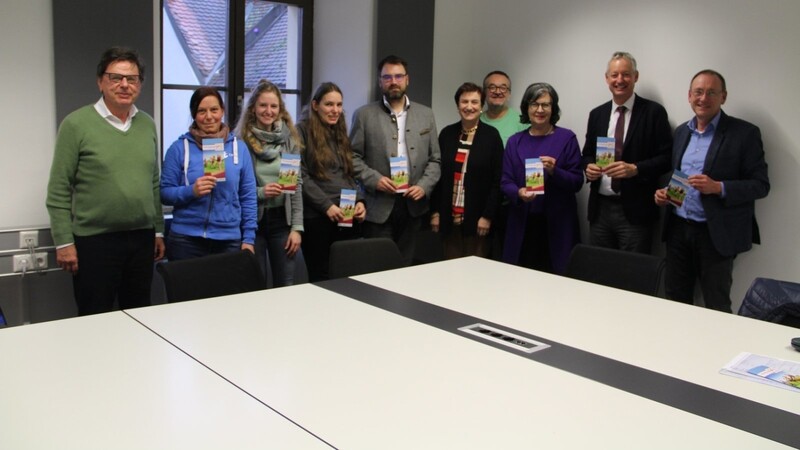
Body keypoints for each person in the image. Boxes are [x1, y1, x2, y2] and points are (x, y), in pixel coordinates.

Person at [46, 47, 165, 316]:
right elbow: (58, 189)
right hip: (94, 243)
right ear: (100, 81)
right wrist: (63, 242)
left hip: (141, 240)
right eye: (115, 77)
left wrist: (157, 231)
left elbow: (153, 183)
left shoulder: (147, 124)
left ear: (140, 84)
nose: (124, 85)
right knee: (95, 317)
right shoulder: (76, 124)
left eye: (132, 79)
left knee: (140, 317)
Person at [655, 70, 769, 312]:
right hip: (678, 229)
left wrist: (718, 187)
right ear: (689, 96)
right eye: (698, 92)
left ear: (723, 97)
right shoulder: (682, 132)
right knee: (675, 300)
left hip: (715, 234)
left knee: (716, 304)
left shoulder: (744, 134)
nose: (703, 98)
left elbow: (760, 185)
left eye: (711, 92)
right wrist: (665, 193)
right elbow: (679, 176)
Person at [351, 55, 441, 266]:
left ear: (407, 80)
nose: (393, 81)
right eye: (387, 77)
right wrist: (375, 179)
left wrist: (424, 186)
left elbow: (435, 160)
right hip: (378, 206)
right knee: (378, 267)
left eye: (399, 76)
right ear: (380, 81)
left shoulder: (426, 114)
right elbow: (352, 158)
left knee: (407, 268)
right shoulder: (364, 115)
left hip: (414, 206)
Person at [582, 52, 672, 253]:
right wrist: (588, 168)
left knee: (632, 274)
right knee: (599, 271)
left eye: (626, 74)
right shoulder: (597, 114)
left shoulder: (653, 112)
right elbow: (586, 154)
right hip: (600, 209)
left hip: (635, 211)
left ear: (636, 76)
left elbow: (667, 159)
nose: (619, 80)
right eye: (614, 75)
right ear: (607, 78)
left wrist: (636, 169)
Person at [161, 87, 257, 261]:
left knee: (227, 289)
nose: (209, 117)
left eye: (214, 110)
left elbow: (248, 196)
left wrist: (249, 238)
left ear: (222, 111)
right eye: (201, 111)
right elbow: (164, 193)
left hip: (228, 240)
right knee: (187, 289)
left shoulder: (239, 148)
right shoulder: (178, 148)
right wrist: (191, 191)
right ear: (194, 115)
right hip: (186, 239)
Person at [501, 82, 583, 274]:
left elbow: (577, 181)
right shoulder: (515, 141)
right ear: (526, 108)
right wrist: (519, 192)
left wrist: (556, 171)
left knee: (557, 282)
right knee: (519, 280)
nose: (540, 110)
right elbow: (505, 181)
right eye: (534, 104)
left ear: (553, 108)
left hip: (557, 225)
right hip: (522, 223)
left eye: (545, 105)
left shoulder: (567, 138)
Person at [235, 79, 304, 287]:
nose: (268, 111)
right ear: (253, 108)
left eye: (273, 106)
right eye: (263, 105)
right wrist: (261, 192)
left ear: (280, 109)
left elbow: (297, 184)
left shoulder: (289, 139)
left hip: (283, 222)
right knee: (255, 285)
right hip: (251, 222)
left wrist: (297, 228)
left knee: (286, 285)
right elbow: (234, 188)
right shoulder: (240, 141)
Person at [298, 82, 366, 281]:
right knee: (322, 277)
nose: (335, 110)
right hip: (317, 217)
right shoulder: (301, 131)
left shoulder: (340, 131)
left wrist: (360, 201)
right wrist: (326, 205)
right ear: (315, 105)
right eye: (329, 104)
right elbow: (300, 175)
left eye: (339, 105)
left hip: (346, 213)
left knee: (347, 276)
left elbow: (349, 173)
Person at [431, 82, 503, 259]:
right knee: (450, 272)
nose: (469, 107)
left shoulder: (491, 136)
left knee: (476, 276)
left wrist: (487, 216)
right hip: (450, 218)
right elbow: (437, 177)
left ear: (481, 106)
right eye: (464, 102)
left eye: (474, 102)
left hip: (479, 220)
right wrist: (435, 212)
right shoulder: (447, 134)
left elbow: (498, 180)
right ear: (458, 106)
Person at [480, 70, 527, 147]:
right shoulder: (475, 121)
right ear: (484, 92)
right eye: (492, 87)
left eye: (503, 88)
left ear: (509, 94)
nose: (498, 92)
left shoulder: (523, 122)